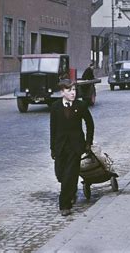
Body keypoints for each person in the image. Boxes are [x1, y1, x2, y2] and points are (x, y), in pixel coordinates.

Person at [50, 79, 94, 216]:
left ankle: (65, 205)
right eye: (69, 90)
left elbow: (90, 124)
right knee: (61, 175)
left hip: (75, 146)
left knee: (70, 174)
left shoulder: (81, 106)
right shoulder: (55, 107)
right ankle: (72, 191)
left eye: (74, 90)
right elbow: (53, 128)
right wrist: (52, 148)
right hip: (60, 146)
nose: (73, 93)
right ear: (62, 92)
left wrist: (88, 143)